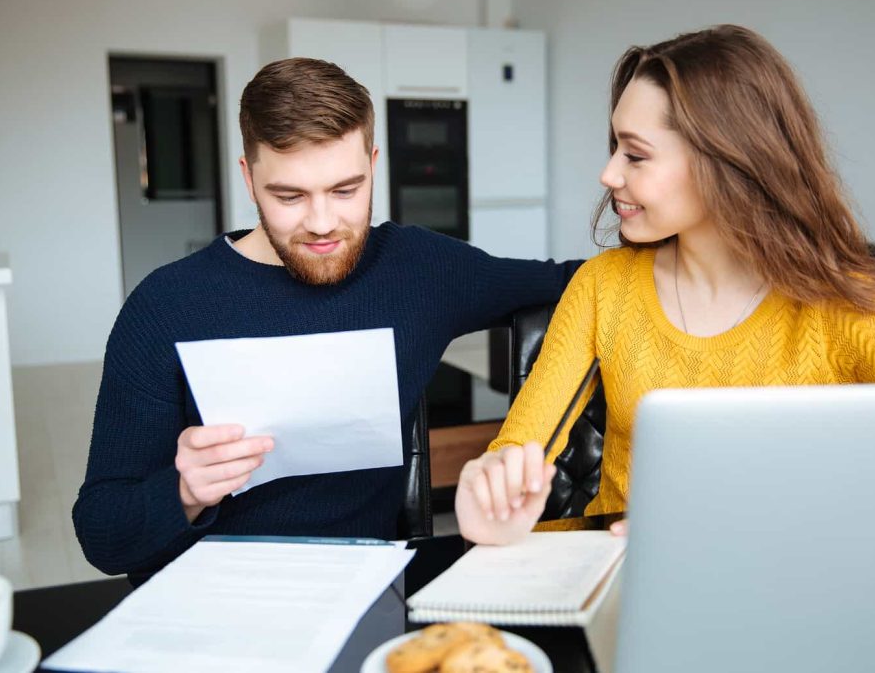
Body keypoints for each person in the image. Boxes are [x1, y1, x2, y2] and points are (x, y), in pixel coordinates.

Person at [73, 58, 581, 584]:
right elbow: (102, 536)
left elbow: (576, 281)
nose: (321, 224)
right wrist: (182, 493)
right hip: (206, 594)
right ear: (249, 178)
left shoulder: (420, 269)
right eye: (289, 196)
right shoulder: (165, 304)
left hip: (359, 584)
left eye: (345, 190)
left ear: (373, 165)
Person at [455, 24, 875, 546]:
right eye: (615, 148)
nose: (608, 174)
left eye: (635, 154)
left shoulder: (842, 303)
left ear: (727, 162)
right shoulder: (602, 286)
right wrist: (492, 485)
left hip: (792, 577)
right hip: (618, 576)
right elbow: (519, 445)